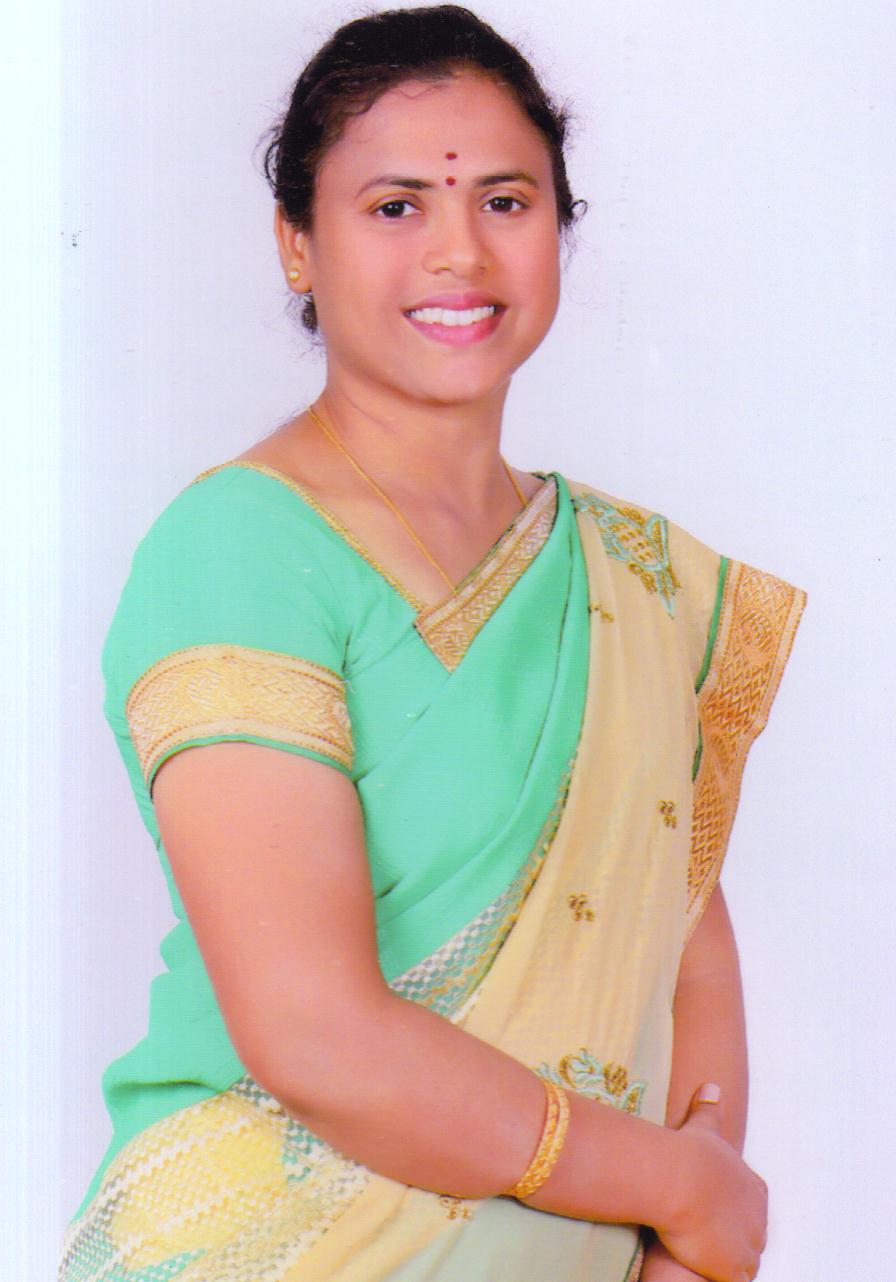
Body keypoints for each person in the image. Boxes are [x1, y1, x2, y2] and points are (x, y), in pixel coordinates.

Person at [57, 6, 806, 1280]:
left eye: (505, 202)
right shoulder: (239, 548)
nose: (459, 251)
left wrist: (688, 1237)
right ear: (297, 244)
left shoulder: (623, 575)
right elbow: (314, 1034)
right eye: (395, 206)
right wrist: (679, 1184)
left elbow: (684, 937)